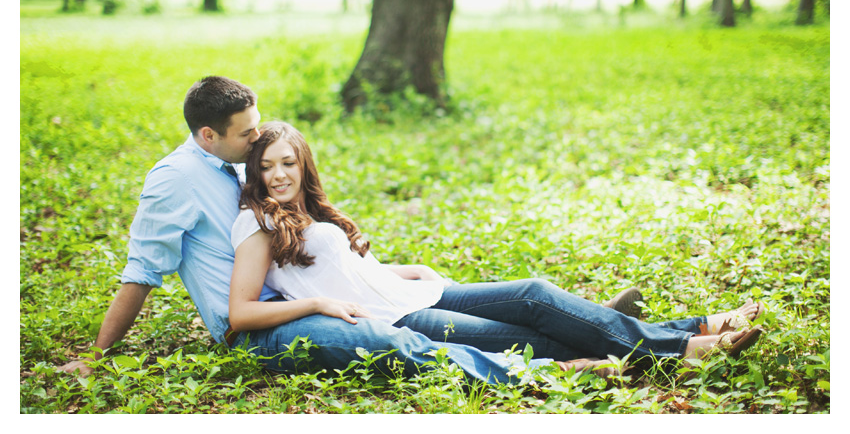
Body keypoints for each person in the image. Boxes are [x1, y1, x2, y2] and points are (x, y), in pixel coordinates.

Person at [56, 76, 651, 384]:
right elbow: (142, 271)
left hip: (314, 297)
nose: (260, 146)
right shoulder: (174, 181)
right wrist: (99, 354)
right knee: (402, 343)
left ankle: (612, 332)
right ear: (208, 135)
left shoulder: (247, 170)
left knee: (518, 304)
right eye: (248, 137)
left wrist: (382, 271)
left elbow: (310, 248)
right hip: (263, 322)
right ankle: (573, 363)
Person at [228, 121, 765, 379]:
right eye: (267, 166)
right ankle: (685, 343)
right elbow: (242, 312)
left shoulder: (311, 209)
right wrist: (318, 307)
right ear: (256, 172)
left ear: (304, 164)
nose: (278, 175)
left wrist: (401, 268)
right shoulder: (255, 223)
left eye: (287, 163)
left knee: (534, 292)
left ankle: (675, 331)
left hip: (413, 292)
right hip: (406, 318)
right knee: (531, 336)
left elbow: (339, 268)